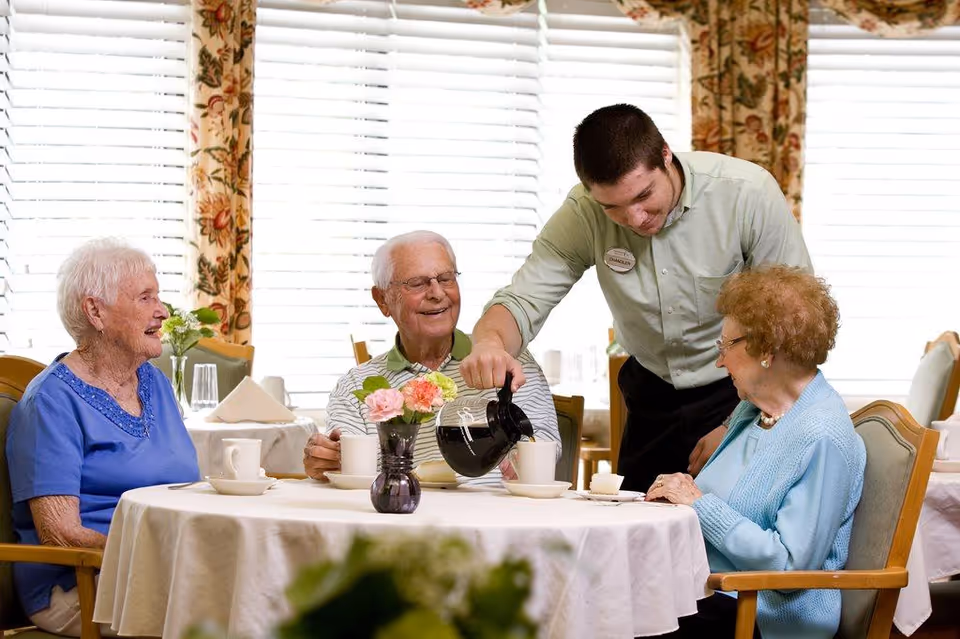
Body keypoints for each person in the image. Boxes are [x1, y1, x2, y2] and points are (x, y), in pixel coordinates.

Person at [459, 104, 812, 491]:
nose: (636, 219)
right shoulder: (584, 212)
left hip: (739, 392)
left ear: (665, 154)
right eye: (614, 207)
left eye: (644, 195)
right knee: (636, 532)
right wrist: (490, 342)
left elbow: (793, 323)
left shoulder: (747, 194)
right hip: (651, 397)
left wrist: (736, 423)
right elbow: (522, 300)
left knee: (727, 532)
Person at [645, 266, 866, 639]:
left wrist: (698, 505)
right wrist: (681, 495)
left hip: (763, 616)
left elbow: (790, 568)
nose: (720, 361)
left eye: (725, 346)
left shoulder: (822, 436)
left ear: (766, 349)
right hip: (715, 592)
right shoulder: (755, 412)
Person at [6, 238, 200, 636]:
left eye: (157, 297)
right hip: (84, 585)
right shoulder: (51, 402)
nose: (162, 311)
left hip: (167, 572)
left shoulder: (157, 384)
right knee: (227, 612)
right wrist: (159, 560)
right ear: (95, 310)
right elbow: (61, 534)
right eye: (145, 298)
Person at [303, 231, 560, 486]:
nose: (437, 293)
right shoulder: (356, 386)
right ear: (382, 300)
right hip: (399, 522)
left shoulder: (506, 359)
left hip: (496, 518)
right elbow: (344, 465)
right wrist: (326, 458)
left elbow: (544, 446)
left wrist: (519, 457)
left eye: (446, 278)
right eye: (417, 283)